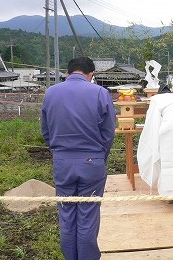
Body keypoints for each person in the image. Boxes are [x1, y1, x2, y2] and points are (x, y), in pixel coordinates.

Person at [41, 57, 116, 260]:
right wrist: (100, 156)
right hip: (92, 163)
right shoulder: (100, 93)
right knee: (88, 216)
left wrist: (59, 153)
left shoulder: (51, 93)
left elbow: (46, 131)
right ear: (91, 75)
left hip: (63, 163)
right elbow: (108, 133)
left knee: (66, 215)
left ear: (68, 72)